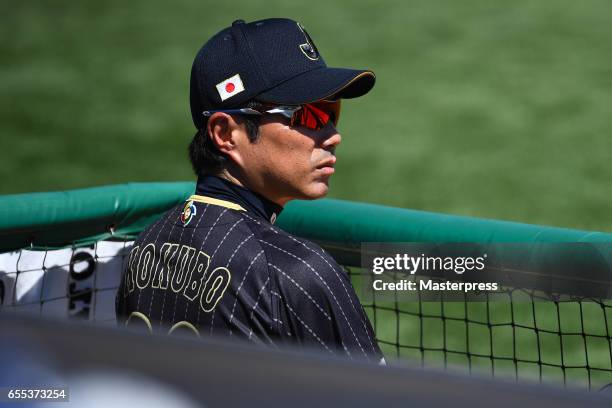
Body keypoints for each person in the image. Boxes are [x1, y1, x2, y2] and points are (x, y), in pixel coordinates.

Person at [116, 18, 383, 362]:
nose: (332, 135)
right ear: (226, 133)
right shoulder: (299, 273)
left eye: (333, 112)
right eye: (308, 115)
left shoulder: (145, 248)